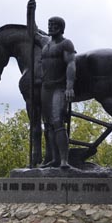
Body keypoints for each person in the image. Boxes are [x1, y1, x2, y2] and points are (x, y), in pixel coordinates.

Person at [39, 16, 76, 168]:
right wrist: (30, 10)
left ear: (61, 27)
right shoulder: (45, 43)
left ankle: (64, 160)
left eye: (54, 25)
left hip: (58, 87)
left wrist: (69, 86)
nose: (50, 27)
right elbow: (31, 31)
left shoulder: (65, 43)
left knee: (57, 122)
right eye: (49, 25)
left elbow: (71, 64)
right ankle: (53, 159)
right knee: (47, 125)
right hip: (46, 88)